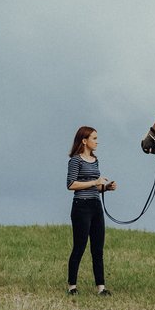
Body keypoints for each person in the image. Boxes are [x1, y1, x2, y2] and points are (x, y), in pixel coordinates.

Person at [66, 126, 116, 296]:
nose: (97, 141)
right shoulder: (75, 160)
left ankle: (101, 287)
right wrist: (95, 182)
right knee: (79, 247)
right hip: (81, 207)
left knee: (98, 249)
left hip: (96, 206)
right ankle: (72, 286)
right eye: (94, 138)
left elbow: (95, 186)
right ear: (84, 141)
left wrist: (106, 188)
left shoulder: (95, 160)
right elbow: (71, 185)